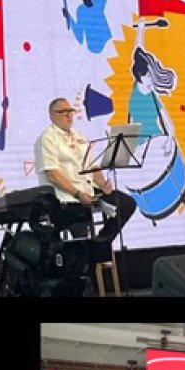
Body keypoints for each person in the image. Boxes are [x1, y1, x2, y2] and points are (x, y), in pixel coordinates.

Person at [34, 97, 137, 264]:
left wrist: (103, 184)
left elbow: (92, 165)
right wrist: (77, 193)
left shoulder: (78, 136)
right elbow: (53, 174)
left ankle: (100, 244)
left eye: (70, 112)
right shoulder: (47, 139)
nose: (68, 116)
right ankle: (85, 264)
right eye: (63, 112)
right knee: (79, 221)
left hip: (88, 190)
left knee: (126, 204)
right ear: (52, 115)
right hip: (65, 196)